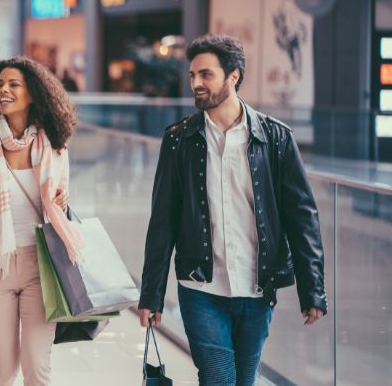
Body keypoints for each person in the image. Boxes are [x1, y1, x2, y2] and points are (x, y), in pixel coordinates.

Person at [139, 34, 327, 386]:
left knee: (244, 381)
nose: (196, 83)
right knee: (217, 379)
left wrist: (312, 287)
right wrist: (152, 294)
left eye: (206, 75)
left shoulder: (276, 138)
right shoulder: (179, 140)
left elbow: (302, 217)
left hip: (257, 290)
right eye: (192, 75)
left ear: (233, 76)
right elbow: (163, 221)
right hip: (200, 288)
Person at [0, 57, 80, 386]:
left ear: (33, 94)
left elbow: (60, 199)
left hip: (42, 267)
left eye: (14, 84)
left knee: (37, 369)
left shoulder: (54, 146)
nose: (4, 90)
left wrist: (61, 200)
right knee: (3, 369)